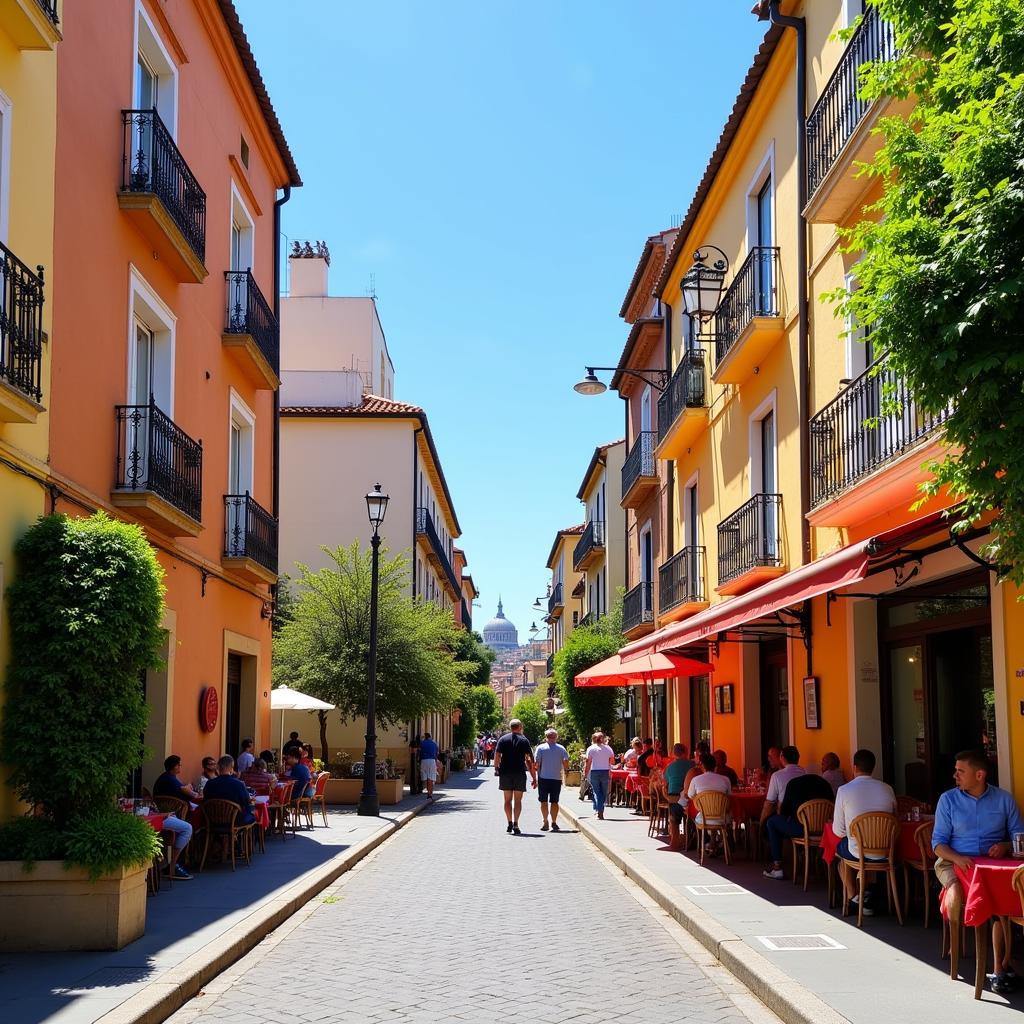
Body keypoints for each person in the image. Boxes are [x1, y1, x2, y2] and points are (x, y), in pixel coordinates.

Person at [932, 749, 1024, 993]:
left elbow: (1018, 836)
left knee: (1002, 903)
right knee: (955, 891)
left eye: (961, 771)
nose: (955, 776)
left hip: (992, 865)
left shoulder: (1004, 799)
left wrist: (1005, 846)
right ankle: (956, 941)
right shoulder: (948, 800)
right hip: (952, 861)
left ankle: (999, 968)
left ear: (980, 775)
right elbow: (938, 844)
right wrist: (958, 858)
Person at [831, 749, 896, 916]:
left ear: (854, 767)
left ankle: (854, 898)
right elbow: (895, 819)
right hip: (885, 851)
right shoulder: (887, 789)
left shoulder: (844, 790)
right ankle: (866, 893)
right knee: (864, 855)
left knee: (841, 857)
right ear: (873, 768)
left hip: (857, 850)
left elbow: (838, 831)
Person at [761, 745, 832, 880]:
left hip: (799, 826)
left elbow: (777, 807)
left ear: (782, 758)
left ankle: (778, 866)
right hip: (820, 827)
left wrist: (762, 822)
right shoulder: (808, 775)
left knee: (771, 822)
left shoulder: (780, 777)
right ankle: (801, 857)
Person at [494, 720, 536, 834]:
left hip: (505, 772)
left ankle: (509, 823)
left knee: (507, 800)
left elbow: (497, 755)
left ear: (510, 727)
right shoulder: (524, 740)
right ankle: (516, 824)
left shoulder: (502, 739)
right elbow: (529, 760)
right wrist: (534, 777)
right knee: (518, 801)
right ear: (520, 727)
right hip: (519, 773)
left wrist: (496, 768)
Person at [686, 752, 733, 854]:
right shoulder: (725, 780)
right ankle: (721, 843)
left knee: (696, 815)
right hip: (722, 818)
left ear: (702, 765)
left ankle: (705, 846)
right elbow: (729, 796)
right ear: (714, 766)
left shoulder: (696, 780)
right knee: (724, 814)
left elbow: (690, 795)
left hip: (704, 818)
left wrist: (702, 801)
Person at [202, 755, 256, 826]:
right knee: (252, 812)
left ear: (218, 767)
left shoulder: (209, 784)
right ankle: (248, 836)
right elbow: (246, 802)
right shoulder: (238, 784)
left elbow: (205, 799)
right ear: (231, 768)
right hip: (235, 821)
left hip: (212, 820)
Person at [534, 728, 570, 831]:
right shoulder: (561, 748)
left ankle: (545, 821)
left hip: (543, 778)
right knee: (555, 801)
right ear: (556, 737)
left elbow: (537, 763)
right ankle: (553, 822)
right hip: (556, 778)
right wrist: (566, 771)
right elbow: (566, 762)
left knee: (543, 801)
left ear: (546, 737)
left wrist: (536, 774)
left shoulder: (540, 748)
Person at [663, 743, 696, 851]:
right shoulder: (692, 765)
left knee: (674, 821)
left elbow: (666, 783)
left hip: (673, 797)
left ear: (673, 753)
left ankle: (674, 843)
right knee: (691, 817)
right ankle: (690, 840)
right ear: (686, 752)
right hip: (688, 798)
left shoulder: (669, 767)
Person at [585, 731, 615, 820]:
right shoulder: (608, 749)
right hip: (605, 771)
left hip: (594, 772)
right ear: (603, 739)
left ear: (594, 739)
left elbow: (588, 763)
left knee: (597, 792)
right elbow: (612, 762)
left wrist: (585, 773)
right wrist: (605, 760)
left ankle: (599, 811)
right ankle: (600, 811)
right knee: (604, 792)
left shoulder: (590, 749)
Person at [419, 731, 441, 800]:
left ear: (425, 737)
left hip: (424, 760)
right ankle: (430, 793)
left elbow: (419, 752)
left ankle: (428, 791)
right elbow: (437, 753)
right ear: (430, 737)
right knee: (431, 778)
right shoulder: (434, 744)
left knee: (425, 778)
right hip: (432, 761)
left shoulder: (422, 743)